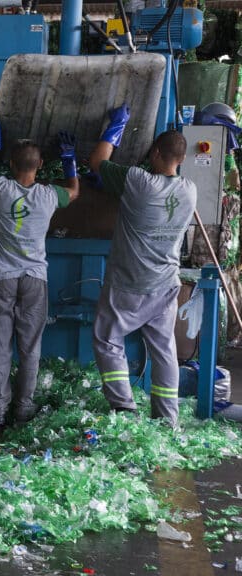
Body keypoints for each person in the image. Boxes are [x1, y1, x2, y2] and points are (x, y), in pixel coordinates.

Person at [89, 104, 197, 427]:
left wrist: (114, 127)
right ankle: (167, 419)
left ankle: (124, 407)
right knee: (164, 350)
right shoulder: (189, 191)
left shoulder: (137, 182)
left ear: (154, 153)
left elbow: (98, 162)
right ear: (182, 159)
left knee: (107, 339)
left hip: (128, 285)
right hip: (165, 286)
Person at [0, 107, 80, 429]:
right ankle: (23, 408)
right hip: (34, 278)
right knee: (30, 346)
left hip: (2, 278)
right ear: (40, 167)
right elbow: (74, 192)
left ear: (10, 165)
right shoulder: (49, 196)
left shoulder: (0, 189)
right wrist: (69, 160)